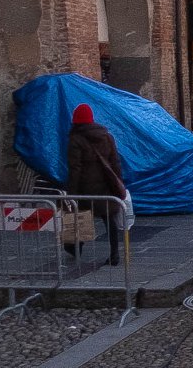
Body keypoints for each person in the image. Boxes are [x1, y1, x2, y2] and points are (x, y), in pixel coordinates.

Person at [65, 103, 127, 267]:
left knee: (80, 217)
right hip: (106, 186)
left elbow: (75, 168)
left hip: (85, 187)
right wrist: (118, 183)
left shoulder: (75, 139)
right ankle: (114, 253)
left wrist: (71, 192)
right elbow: (115, 163)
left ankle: (76, 248)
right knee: (109, 220)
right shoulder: (107, 136)